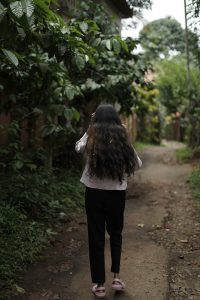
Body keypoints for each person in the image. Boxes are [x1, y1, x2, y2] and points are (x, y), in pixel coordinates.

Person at [75, 104, 142, 299]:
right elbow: (138, 163)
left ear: (97, 120)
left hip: (94, 194)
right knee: (116, 234)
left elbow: (78, 146)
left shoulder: (93, 139)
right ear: (116, 120)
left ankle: (99, 285)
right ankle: (116, 278)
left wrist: (90, 127)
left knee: (95, 237)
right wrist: (125, 137)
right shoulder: (122, 140)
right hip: (116, 195)